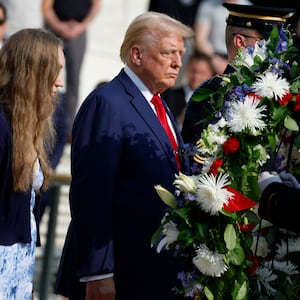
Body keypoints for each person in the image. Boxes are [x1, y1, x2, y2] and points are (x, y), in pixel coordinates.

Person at [55, 11, 193, 300]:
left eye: (180, 53)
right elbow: (92, 194)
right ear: (137, 55)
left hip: (151, 271)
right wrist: (98, 273)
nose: (178, 62)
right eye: (169, 53)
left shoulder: (159, 104)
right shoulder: (107, 103)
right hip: (118, 273)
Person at [0, 28, 65, 300]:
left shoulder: (25, 125)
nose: (60, 82)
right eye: (55, 70)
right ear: (34, 71)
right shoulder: (1, 126)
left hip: (18, 258)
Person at [182, 3, 296, 144]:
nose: (277, 51)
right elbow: (199, 159)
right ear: (240, 42)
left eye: (278, 43)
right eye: (267, 42)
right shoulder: (214, 92)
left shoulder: (283, 91)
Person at [42, 0, 101, 133]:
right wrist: (59, 26)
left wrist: (81, 26)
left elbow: (96, 6)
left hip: (78, 32)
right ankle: (44, 120)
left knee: (73, 81)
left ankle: (68, 128)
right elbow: (46, 7)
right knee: (47, 77)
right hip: (55, 31)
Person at [194, 0, 252, 74]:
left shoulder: (248, 8)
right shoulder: (208, 5)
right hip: (211, 59)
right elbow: (200, 40)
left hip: (239, 61)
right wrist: (215, 59)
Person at [162, 50, 215, 129]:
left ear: (210, 74)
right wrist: (180, 121)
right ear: (187, 70)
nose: (196, 77)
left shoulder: (216, 100)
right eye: (193, 71)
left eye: (201, 73)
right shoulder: (169, 96)